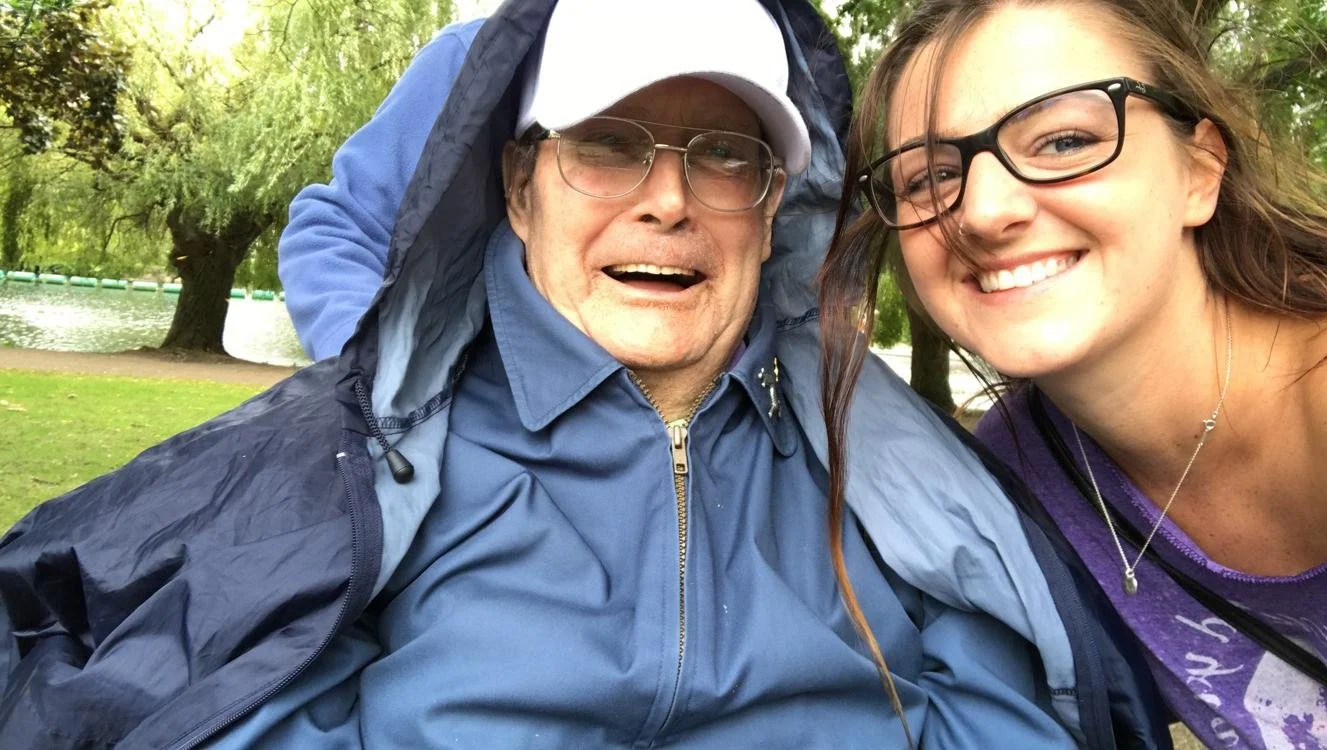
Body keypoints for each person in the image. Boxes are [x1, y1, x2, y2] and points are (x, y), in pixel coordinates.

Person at [0, 1, 1165, 747]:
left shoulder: (885, 475)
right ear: (518, 187)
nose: (666, 196)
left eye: (724, 157)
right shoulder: (372, 485)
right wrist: (413, 384)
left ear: (775, 211)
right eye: (608, 144)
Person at [819, 0, 1327, 747]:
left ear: (1200, 169)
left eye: (1063, 140)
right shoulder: (1006, 486)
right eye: (929, 177)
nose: (985, 211)